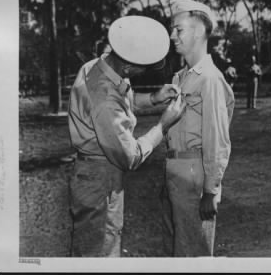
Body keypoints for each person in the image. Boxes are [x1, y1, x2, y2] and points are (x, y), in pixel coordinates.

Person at [68, 16, 186, 257]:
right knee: (100, 252)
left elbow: (123, 102)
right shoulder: (104, 99)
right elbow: (130, 156)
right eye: (143, 69)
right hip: (100, 179)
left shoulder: (98, 67)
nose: (143, 73)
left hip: (94, 174)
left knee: (95, 246)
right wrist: (162, 126)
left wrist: (153, 98)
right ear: (129, 67)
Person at [161, 0, 235, 257]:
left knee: (196, 254)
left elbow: (217, 139)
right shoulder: (181, 78)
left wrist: (211, 190)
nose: (172, 36)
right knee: (180, 247)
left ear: (199, 31)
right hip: (177, 170)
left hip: (195, 174)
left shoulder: (210, 79)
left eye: (178, 29)